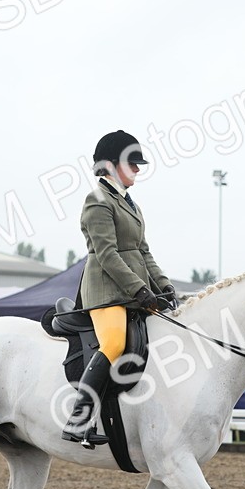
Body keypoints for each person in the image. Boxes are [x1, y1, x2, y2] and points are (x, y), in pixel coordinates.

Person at [61, 129, 178, 447]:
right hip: (106, 292)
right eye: (132, 163)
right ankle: (78, 419)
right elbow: (107, 254)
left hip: (132, 291)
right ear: (111, 166)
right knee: (113, 343)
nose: (138, 169)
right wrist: (139, 288)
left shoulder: (131, 204)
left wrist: (163, 285)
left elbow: (143, 252)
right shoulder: (97, 200)